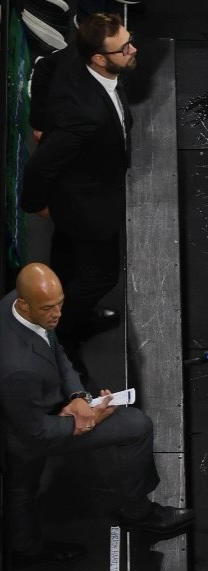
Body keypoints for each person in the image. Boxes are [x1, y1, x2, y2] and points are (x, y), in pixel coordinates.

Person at [0, 264, 194, 564]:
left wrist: (77, 397)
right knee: (136, 427)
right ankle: (137, 512)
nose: (58, 314)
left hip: (37, 412)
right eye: (50, 308)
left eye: (61, 304)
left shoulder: (19, 304)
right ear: (25, 304)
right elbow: (35, 433)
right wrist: (89, 419)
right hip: (30, 432)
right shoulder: (17, 368)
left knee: (22, 487)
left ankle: (25, 547)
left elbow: (56, 350)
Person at [20, 14, 138, 362]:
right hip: (87, 201)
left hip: (78, 190)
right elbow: (40, 165)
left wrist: (39, 124)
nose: (134, 50)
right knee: (101, 277)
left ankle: (66, 307)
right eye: (124, 48)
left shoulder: (75, 54)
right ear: (99, 59)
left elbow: (42, 71)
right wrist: (34, 204)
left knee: (67, 256)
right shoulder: (86, 116)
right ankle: (64, 335)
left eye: (130, 40)